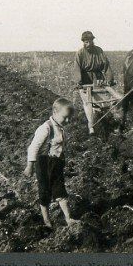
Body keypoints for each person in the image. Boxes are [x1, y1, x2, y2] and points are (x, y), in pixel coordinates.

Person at [25, 98, 79, 228]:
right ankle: (47, 220)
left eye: (69, 118)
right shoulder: (46, 128)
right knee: (45, 192)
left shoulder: (60, 127)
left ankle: (68, 218)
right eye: (65, 117)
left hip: (56, 163)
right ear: (55, 112)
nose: (67, 121)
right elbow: (33, 147)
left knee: (60, 190)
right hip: (44, 163)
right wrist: (30, 165)